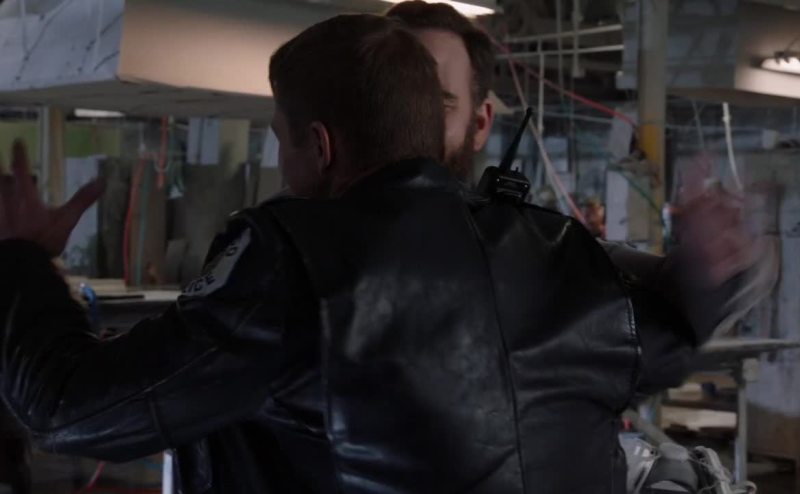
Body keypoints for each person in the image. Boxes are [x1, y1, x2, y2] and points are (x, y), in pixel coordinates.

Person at [0, 13, 751, 494]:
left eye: (282, 139)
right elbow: (667, 334)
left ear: (320, 147)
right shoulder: (563, 251)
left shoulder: (293, 261)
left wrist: (24, 258)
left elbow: (68, 410)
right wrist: (709, 272)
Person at [387, 0, 752, 373]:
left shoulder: (528, 258)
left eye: (437, 103)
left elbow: (659, 306)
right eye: (387, 99)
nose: (405, 121)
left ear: (479, 125)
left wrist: (701, 275)